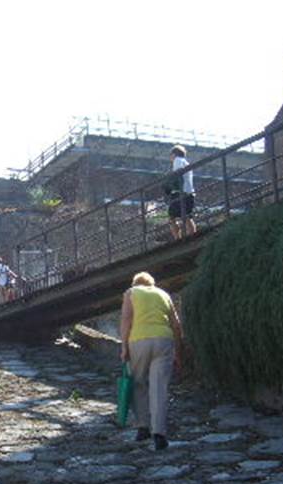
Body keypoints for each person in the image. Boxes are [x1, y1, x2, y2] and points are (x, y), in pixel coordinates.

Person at [119, 271, 183, 451]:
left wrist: (124, 346)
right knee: (159, 388)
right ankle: (159, 434)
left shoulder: (131, 293)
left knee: (138, 383)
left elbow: (126, 320)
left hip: (139, 341)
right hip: (164, 341)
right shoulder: (164, 294)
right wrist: (177, 351)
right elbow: (176, 325)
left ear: (135, 283)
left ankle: (143, 427)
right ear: (152, 284)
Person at [167, 145, 197, 240]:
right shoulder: (186, 162)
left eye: (170, 155)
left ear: (174, 154)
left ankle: (177, 238)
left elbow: (178, 173)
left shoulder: (178, 160)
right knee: (188, 216)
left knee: (172, 217)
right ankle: (193, 236)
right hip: (189, 192)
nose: (170, 158)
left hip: (180, 192)